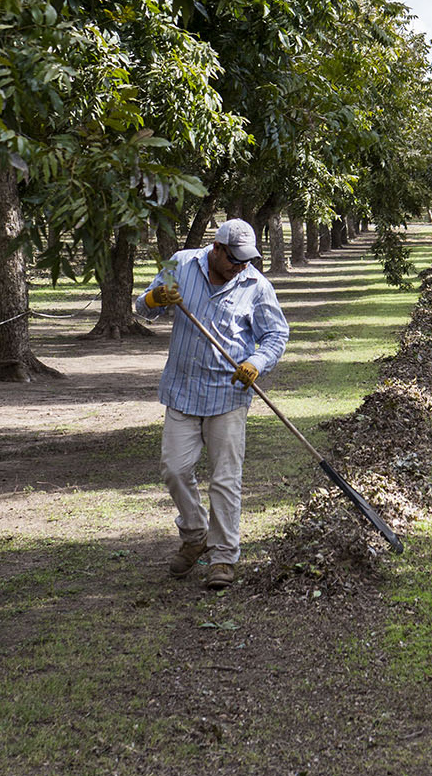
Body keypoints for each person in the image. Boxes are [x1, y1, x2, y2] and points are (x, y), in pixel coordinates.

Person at [134, 217, 289, 589]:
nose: (240, 266)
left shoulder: (256, 285)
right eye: (234, 258)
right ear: (216, 249)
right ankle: (194, 533)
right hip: (183, 391)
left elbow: (276, 335)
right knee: (174, 469)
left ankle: (223, 556)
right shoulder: (181, 263)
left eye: (246, 259)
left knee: (225, 479)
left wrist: (255, 363)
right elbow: (143, 306)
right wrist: (156, 298)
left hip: (228, 394)